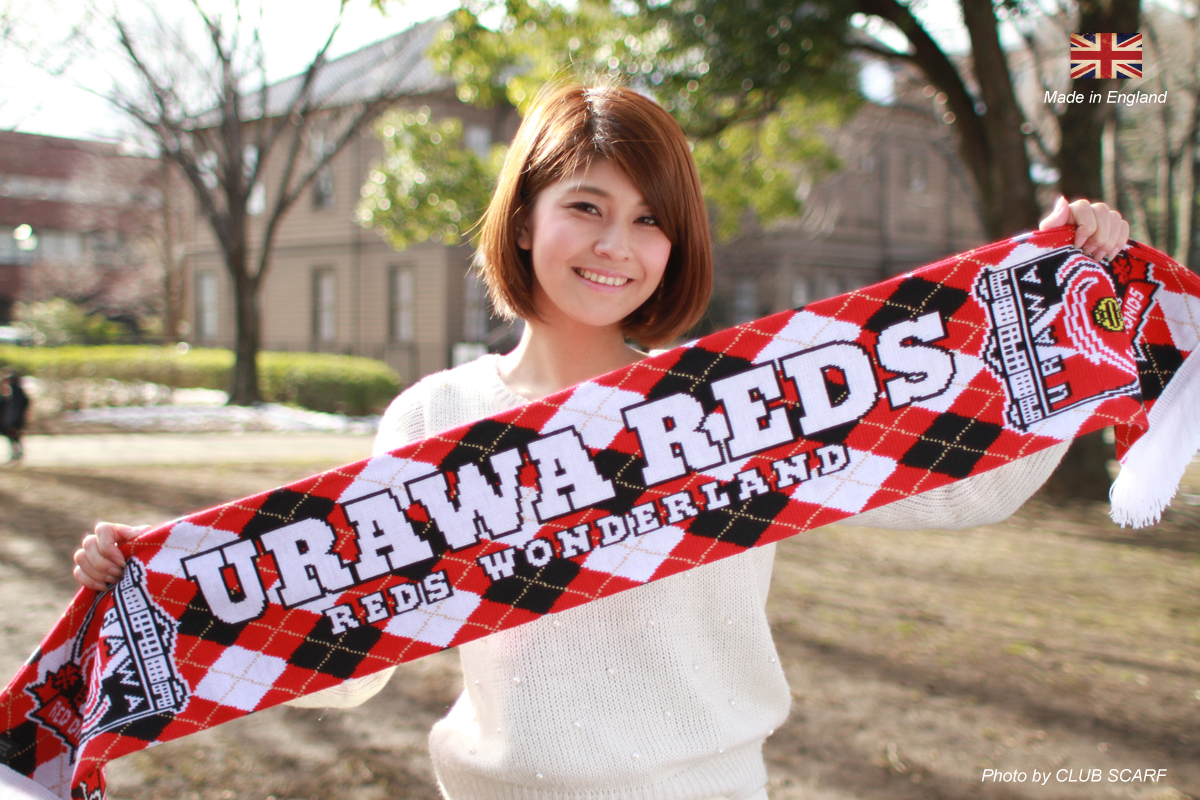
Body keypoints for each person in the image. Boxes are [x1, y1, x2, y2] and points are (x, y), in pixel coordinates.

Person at [73, 84, 1130, 800]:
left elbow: (965, 487)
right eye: (586, 206)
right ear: (523, 218)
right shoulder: (439, 418)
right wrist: (154, 583)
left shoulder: (736, 400)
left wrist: (1065, 303)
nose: (618, 245)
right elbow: (338, 640)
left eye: (650, 218)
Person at [0, 368, 28, 463]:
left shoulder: (16, 392)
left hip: (13, 419)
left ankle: (17, 453)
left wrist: (13, 419)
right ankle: (17, 453)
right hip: (12, 418)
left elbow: (18, 406)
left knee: (13, 435)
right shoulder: (13, 391)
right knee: (13, 436)